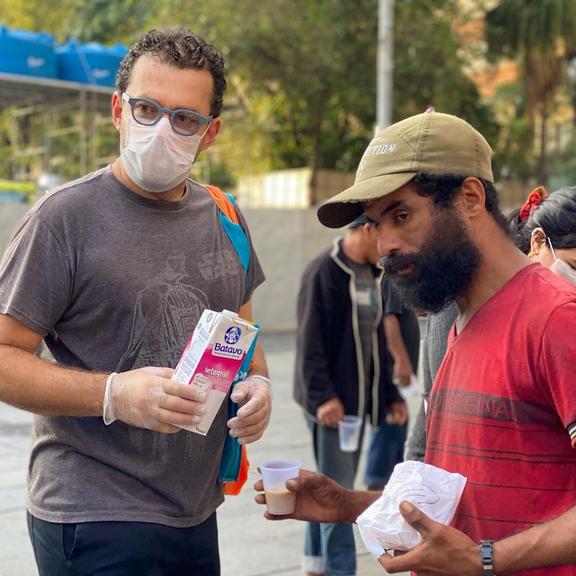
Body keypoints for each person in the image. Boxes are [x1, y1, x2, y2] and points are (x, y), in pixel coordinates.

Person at [0, 28, 272, 576]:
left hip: (195, 510)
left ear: (210, 132)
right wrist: (113, 394)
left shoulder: (225, 214)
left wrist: (257, 386)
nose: (162, 130)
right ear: (118, 109)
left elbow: (244, 332)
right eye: (147, 108)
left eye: (185, 119)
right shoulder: (64, 219)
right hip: (94, 510)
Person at [256, 110, 576, 575]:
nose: (385, 244)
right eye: (375, 224)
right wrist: (349, 505)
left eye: (401, 215)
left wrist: (485, 560)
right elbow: (467, 505)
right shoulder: (460, 323)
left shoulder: (555, 318)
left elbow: (476, 551)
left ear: (469, 197)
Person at [294, 215, 407, 576]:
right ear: (366, 230)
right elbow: (309, 342)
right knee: (336, 494)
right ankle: (340, 570)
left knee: (327, 482)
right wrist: (323, 396)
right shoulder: (324, 272)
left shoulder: (374, 276)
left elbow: (377, 343)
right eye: (384, 235)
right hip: (333, 405)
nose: (389, 246)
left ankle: (315, 564)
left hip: (359, 402)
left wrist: (391, 395)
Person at [363, 275, 420, 489]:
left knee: (398, 428)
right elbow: (389, 319)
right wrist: (401, 360)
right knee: (390, 423)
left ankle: (389, 485)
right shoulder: (394, 277)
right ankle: (377, 486)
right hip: (392, 376)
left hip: (398, 380)